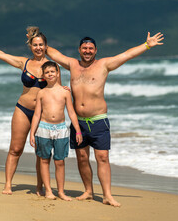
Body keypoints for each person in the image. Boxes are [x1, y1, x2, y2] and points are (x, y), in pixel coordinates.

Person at [45, 32, 164, 206]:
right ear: (79, 49)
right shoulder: (72, 64)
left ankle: (107, 195)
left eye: (90, 48)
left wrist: (146, 45)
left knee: (102, 158)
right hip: (79, 122)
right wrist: (38, 40)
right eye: (84, 48)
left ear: (96, 51)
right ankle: (88, 191)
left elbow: (126, 55)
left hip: (99, 120)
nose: (87, 51)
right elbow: (53, 54)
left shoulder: (104, 65)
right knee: (82, 158)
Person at [0, 27, 61, 195]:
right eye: (35, 45)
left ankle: (39, 187)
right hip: (23, 109)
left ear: (46, 46)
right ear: (31, 46)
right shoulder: (24, 62)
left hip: (42, 114)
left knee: (41, 153)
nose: (38, 48)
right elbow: (4, 55)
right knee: (15, 148)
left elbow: (56, 90)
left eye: (41, 45)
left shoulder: (52, 66)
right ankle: (8, 184)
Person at [29, 61, 83, 201]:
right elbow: (36, 114)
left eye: (52, 71)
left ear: (58, 73)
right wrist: (32, 133)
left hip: (61, 129)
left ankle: (61, 191)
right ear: (43, 76)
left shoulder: (65, 92)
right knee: (44, 160)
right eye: (47, 72)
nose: (50, 74)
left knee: (60, 161)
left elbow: (71, 112)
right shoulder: (41, 93)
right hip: (43, 129)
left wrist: (77, 130)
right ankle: (48, 190)